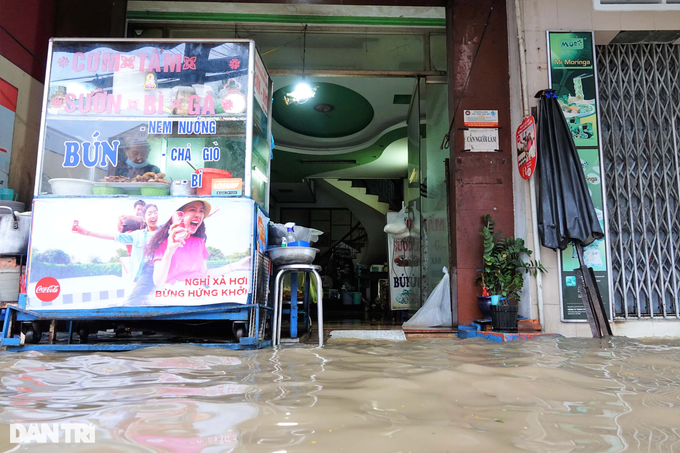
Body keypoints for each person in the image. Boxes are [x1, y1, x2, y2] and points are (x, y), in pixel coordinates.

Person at [145, 200, 250, 287]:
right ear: (178, 216)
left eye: (201, 211)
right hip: (174, 297)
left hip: (197, 295)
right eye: (192, 210)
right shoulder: (164, 244)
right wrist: (169, 251)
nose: (198, 215)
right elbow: (158, 282)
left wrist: (236, 266)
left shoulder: (199, 243)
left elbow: (204, 274)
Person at [74, 204, 159, 282]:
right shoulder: (138, 235)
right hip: (139, 277)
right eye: (150, 213)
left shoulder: (164, 232)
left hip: (158, 276)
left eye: (155, 213)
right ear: (144, 218)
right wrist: (88, 233)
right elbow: (114, 236)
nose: (153, 216)